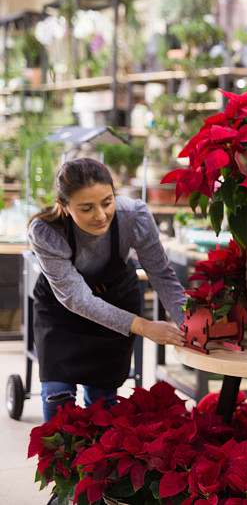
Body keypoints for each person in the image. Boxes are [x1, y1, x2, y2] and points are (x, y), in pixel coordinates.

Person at [28, 158, 187, 422]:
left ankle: (95, 462)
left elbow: (161, 275)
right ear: (64, 207)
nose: (100, 215)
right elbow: (76, 298)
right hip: (62, 311)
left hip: (116, 299)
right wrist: (144, 326)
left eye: (107, 202)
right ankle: (55, 461)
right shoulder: (46, 231)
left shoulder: (134, 216)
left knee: (102, 401)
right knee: (58, 398)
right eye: (86, 208)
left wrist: (187, 324)